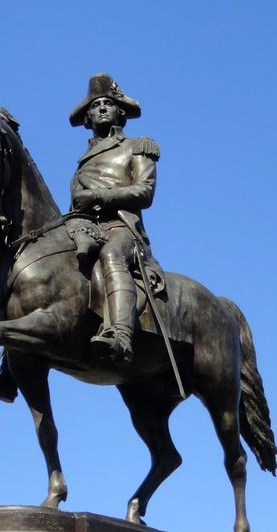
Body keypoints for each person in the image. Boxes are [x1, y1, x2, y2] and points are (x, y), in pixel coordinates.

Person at [68, 74, 160, 366]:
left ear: (120, 111)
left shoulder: (138, 146)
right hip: (85, 228)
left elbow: (145, 192)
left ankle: (121, 337)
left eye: (109, 103)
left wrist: (98, 196)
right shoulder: (82, 162)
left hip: (123, 230)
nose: (103, 108)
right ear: (88, 116)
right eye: (96, 105)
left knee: (111, 255)